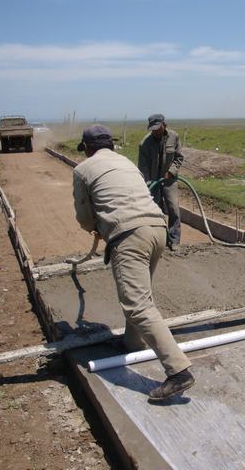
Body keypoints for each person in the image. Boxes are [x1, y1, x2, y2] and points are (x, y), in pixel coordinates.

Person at [72, 124, 194, 402]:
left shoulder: (83, 169)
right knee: (142, 295)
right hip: (157, 228)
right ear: (111, 146)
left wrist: (97, 227)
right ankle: (131, 343)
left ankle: (179, 372)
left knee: (137, 304)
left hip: (130, 236)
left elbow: (83, 216)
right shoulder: (126, 162)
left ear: (88, 149)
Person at [138, 114, 184, 250]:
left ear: (164, 125)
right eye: (153, 129)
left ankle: (174, 240)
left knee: (174, 208)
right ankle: (159, 239)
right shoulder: (144, 143)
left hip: (170, 180)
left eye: (157, 128)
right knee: (156, 210)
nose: (155, 132)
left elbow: (179, 157)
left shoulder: (174, 137)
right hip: (153, 181)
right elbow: (143, 166)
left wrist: (172, 171)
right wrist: (147, 182)